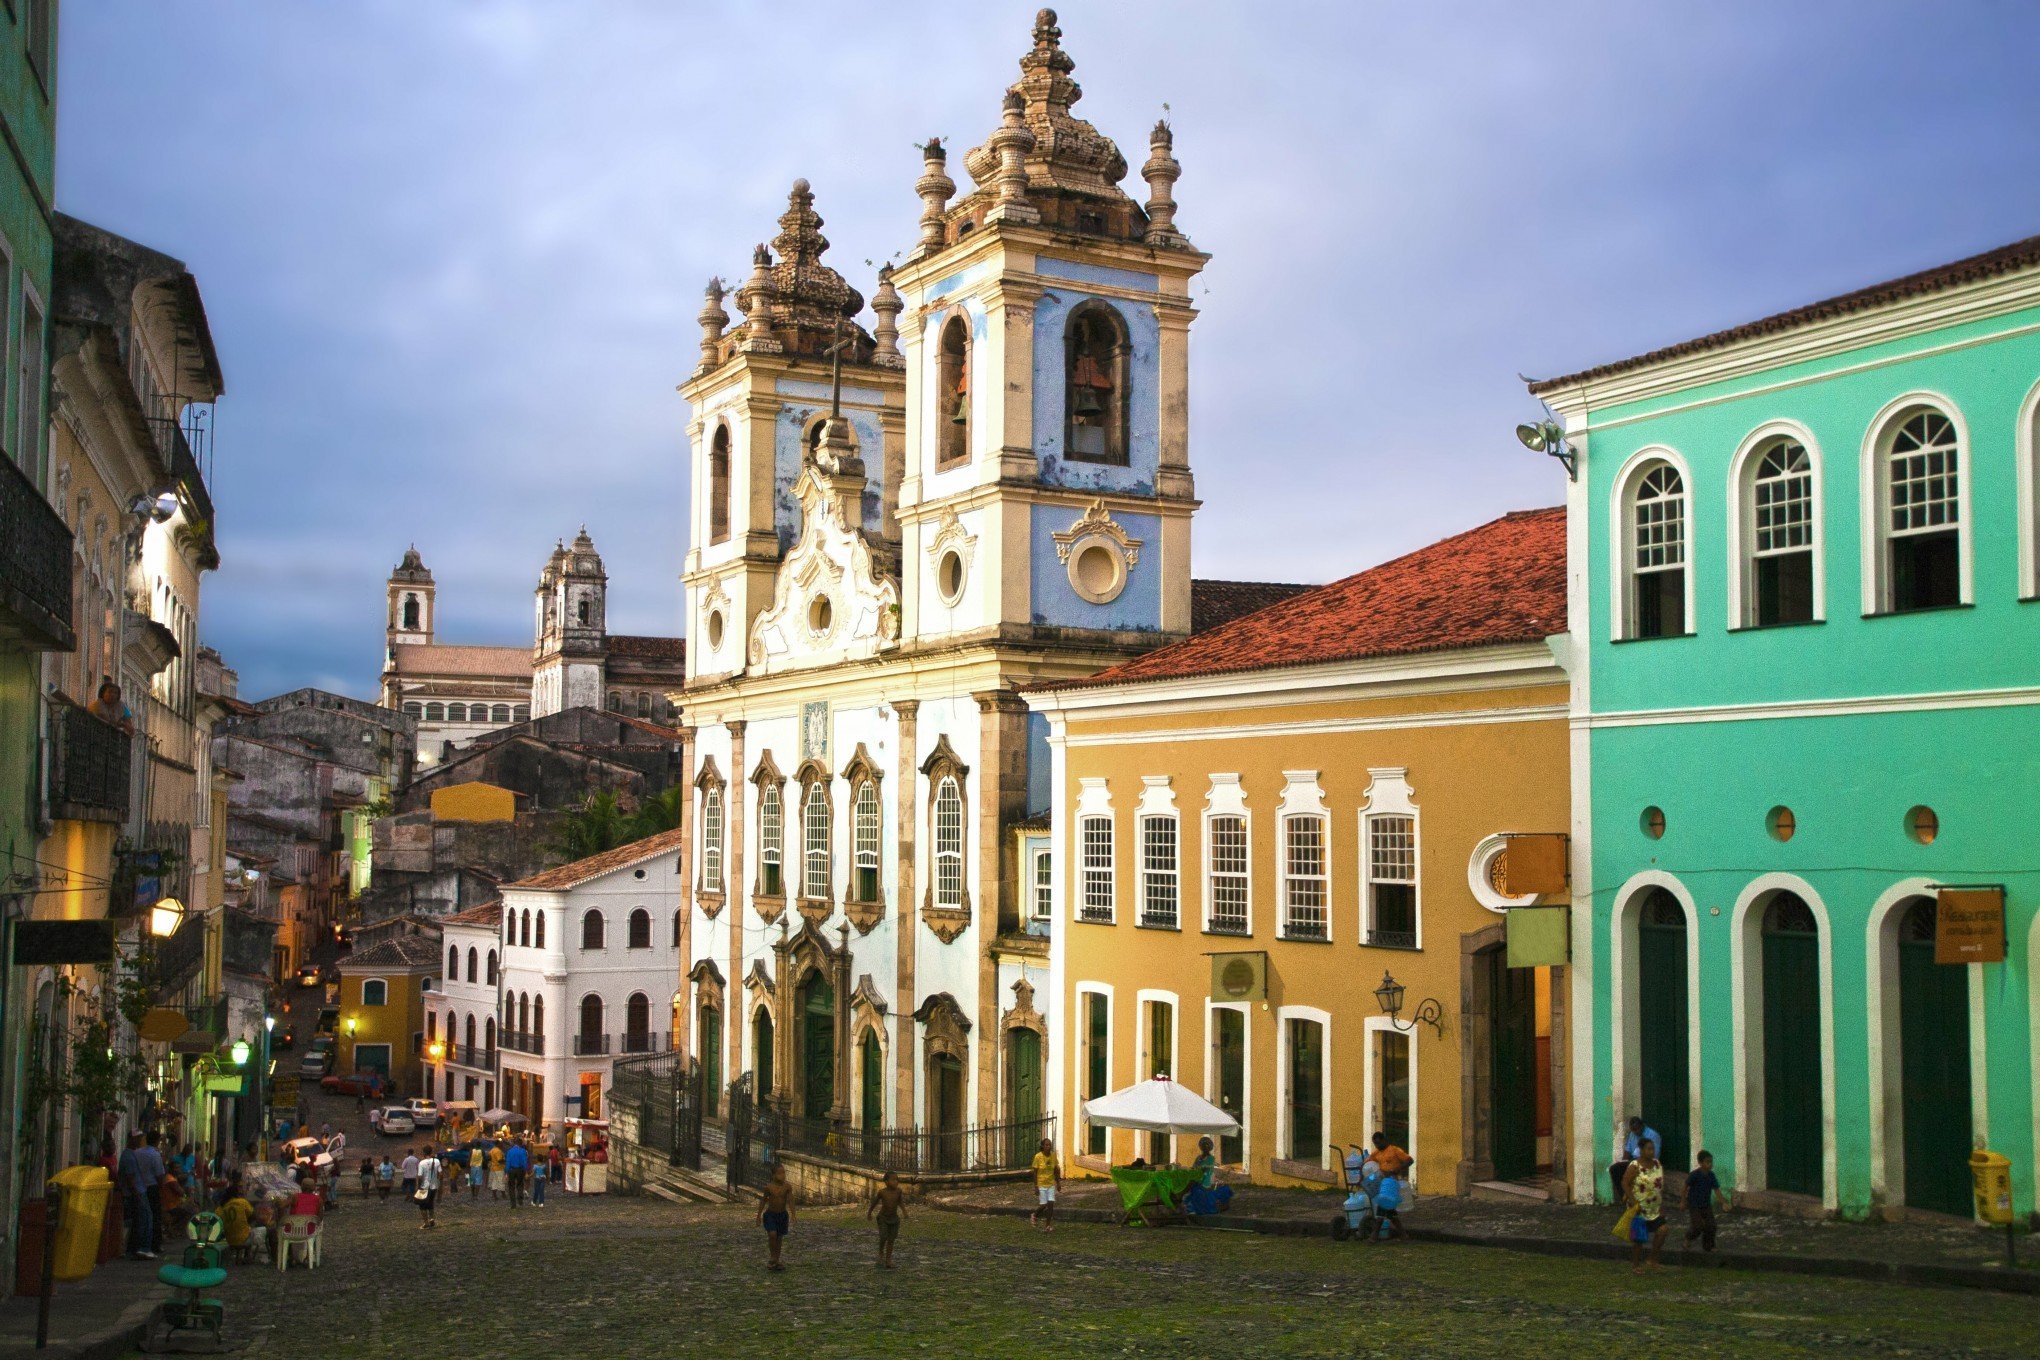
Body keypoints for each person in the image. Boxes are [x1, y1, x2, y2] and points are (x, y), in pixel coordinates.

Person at [1621, 1137, 1670, 1274]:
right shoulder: (1635, 1166)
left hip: (1654, 1207)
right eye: (1648, 1149)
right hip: (1639, 1208)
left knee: (1663, 1230)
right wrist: (1633, 1201)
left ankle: (1653, 1259)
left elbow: (1659, 1185)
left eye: (1653, 1148)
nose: (1651, 1151)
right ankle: (1636, 1265)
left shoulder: (1657, 1164)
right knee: (1639, 1239)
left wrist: (1661, 1203)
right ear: (1641, 1150)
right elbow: (1625, 1183)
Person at [117, 1132, 163, 1259]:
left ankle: (136, 1247)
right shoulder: (133, 1155)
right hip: (140, 1190)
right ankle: (143, 1247)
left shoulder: (135, 1153)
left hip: (141, 1188)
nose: (139, 1141)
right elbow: (130, 1177)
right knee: (146, 1218)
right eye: (138, 1139)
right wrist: (136, 1192)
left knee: (141, 1219)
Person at [1610, 1115, 1662, 1204]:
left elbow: (1654, 1155)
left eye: (1637, 1129)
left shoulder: (1653, 1135)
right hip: (1633, 1161)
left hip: (1647, 1162)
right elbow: (1628, 1150)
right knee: (1615, 1169)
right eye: (1633, 1130)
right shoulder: (1632, 1134)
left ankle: (1635, 1197)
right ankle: (1625, 1196)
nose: (1635, 1132)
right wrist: (1623, 1162)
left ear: (1642, 1126)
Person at [1683, 1149, 1728, 1253]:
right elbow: (1685, 1187)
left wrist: (1723, 1203)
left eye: (1711, 1162)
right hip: (1694, 1204)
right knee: (1698, 1226)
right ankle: (1688, 1237)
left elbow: (1716, 1190)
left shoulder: (1711, 1176)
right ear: (1700, 1163)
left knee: (1711, 1225)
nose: (1710, 1164)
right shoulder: (1695, 1175)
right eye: (1707, 1162)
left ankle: (1709, 1246)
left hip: (1706, 1205)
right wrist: (1683, 1201)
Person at [1184, 1136, 1234, 1217]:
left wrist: (1197, 1171)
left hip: (1205, 1180)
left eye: (1206, 1146)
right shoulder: (1198, 1158)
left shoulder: (1211, 1158)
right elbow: (1194, 1168)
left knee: (1192, 1185)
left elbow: (1204, 1170)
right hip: (1197, 1177)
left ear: (1209, 1148)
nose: (1205, 1148)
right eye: (1203, 1146)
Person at [867, 1171, 906, 1268]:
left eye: (897, 1179)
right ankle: (881, 1251)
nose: (896, 1182)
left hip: (894, 1219)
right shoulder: (882, 1192)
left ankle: (888, 1259)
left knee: (891, 1239)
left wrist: (905, 1212)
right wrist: (869, 1212)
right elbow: (875, 1202)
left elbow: (900, 1202)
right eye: (893, 1180)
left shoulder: (898, 1191)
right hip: (883, 1218)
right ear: (886, 1182)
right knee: (883, 1236)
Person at [759, 1162, 794, 1271]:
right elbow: (764, 1200)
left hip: (782, 1215)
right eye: (780, 1173)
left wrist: (793, 1214)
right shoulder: (768, 1187)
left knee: (779, 1237)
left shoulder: (787, 1187)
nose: (783, 1175)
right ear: (774, 1175)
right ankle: (772, 1256)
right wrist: (758, 1215)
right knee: (772, 1234)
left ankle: (776, 1260)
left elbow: (790, 1200)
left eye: (784, 1173)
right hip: (771, 1214)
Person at [1029, 1137, 1061, 1232]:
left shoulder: (1053, 1156)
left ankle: (1047, 1225)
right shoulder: (1038, 1157)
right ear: (1042, 1146)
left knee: (1051, 1204)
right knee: (1044, 1205)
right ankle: (1034, 1214)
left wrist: (1058, 1182)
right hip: (1041, 1184)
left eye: (1049, 1145)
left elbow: (1056, 1169)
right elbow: (1035, 1172)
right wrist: (1036, 1187)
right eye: (1046, 1145)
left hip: (1051, 1184)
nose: (1048, 1146)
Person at [219, 1184, 254, 1265]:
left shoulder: (223, 1206)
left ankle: (239, 1256)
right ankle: (247, 1256)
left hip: (229, 1240)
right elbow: (252, 1215)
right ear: (237, 1193)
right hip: (243, 1239)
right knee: (252, 1232)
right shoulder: (242, 1202)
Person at [415, 1147, 441, 1229]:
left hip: (424, 1187)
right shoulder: (437, 1161)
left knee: (422, 1206)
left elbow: (419, 1176)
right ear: (431, 1152)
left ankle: (426, 1223)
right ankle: (432, 1219)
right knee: (430, 1203)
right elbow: (441, 1173)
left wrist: (418, 1187)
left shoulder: (421, 1163)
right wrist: (437, 1181)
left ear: (424, 1153)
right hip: (434, 1186)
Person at [505, 1138, 530, 1208]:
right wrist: (526, 1171)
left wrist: (506, 1172)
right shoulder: (523, 1151)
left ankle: (513, 1204)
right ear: (521, 1144)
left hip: (511, 1170)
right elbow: (524, 1162)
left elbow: (508, 1162)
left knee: (511, 1186)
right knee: (520, 1184)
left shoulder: (510, 1151)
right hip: (520, 1170)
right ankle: (520, 1199)